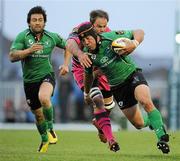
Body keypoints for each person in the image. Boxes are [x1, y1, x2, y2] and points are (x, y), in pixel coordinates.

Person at [77, 23, 170, 154]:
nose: (86, 42)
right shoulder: (88, 56)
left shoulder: (110, 38)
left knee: (145, 101)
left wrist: (134, 43)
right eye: (83, 40)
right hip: (117, 88)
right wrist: (86, 92)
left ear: (95, 35)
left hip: (133, 75)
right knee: (138, 124)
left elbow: (139, 31)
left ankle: (162, 137)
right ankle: (152, 122)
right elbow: (88, 76)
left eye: (88, 38)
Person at [9, 6, 68, 153]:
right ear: (29, 23)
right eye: (34, 20)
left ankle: (51, 129)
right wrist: (29, 51)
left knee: (44, 97)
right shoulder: (22, 37)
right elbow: (12, 56)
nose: (37, 23)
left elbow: (69, 46)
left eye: (40, 20)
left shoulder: (51, 37)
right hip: (29, 81)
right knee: (38, 114)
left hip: (47, 76)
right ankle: (44, 139)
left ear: (44, 23)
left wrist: (66, 65)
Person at [60, 10, 116, 144]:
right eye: (99, 26)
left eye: (104, 26)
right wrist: (66, 64)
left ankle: (100, 126)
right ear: (91, 24)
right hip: (82, 68)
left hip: (99, 69)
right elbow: (69, 45)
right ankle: (111, 139)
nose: (102, 30)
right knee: (97, 99)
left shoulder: (108, 33)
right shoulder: (80, 30)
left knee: (109, 106)